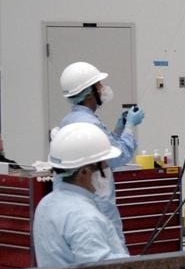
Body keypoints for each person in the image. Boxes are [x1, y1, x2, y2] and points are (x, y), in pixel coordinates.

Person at [56, 62, 143, 241]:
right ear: (89, 92)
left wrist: (119, 129)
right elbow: (118, 157)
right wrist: (130, 126)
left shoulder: (70, 120)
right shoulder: (91, 124)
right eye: (99, 85)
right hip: (98, 204)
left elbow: (105, 152)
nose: (103, 89)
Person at [32, 124, 130, 267]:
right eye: (103, 166)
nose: (108, 170)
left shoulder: (47, 203)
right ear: (84, 172)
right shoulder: (84, 217)